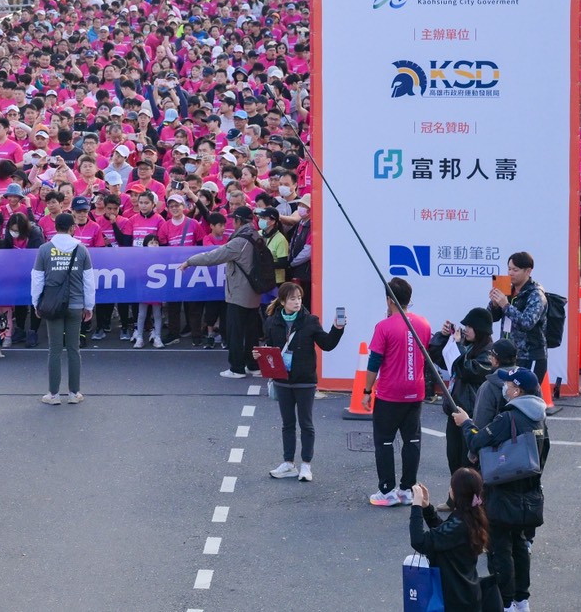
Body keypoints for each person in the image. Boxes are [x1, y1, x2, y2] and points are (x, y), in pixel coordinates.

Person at [452, 367, 550, 612]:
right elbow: (545, 452)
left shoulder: (509, 417)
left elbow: (477, 440)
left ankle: (505, 603)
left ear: (517, 390)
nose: (504, 388)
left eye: (507, 385)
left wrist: (466, 424)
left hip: (503, 496)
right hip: (530, 495)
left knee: (500, 550)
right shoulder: (539, 416)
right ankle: (522, 601)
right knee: (520, 545)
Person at [256, 281, 344, 482]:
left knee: (306, 423)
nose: (297, 302)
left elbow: (327, 344)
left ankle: (306, 465)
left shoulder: (310, 321)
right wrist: (258, 355)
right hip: (282, 380)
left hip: (305, 380)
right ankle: (288, 463)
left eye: (299, 298)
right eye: (293, 298)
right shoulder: (271, 321)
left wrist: (337, 328)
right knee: (287, 423)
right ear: (283, 301)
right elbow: (269, 348)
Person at [364, 277, 433, 507]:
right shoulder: (423, 323)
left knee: (384, 441)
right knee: (412, 440)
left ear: (388, 300)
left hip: (389, 394)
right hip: (416, 391)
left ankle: (386, 491)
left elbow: (374, 362)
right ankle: (407, 489)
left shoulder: (384, 327)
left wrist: (366, 390)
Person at [178, 206, 265, 380]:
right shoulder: (257, 237)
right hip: (254, 292)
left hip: (239, 293)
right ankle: (253, 366)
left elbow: (214, 256)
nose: (232, 222)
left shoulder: (239, 242)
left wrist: (190, 261)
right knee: (251, 333)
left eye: (234, 219)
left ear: (239, 221)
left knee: (235, 332)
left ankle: (237, 368)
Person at [31, 212, 94, 405]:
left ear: (55, 227)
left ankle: (53, 394)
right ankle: (74, 393)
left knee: (55, 349)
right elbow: (88, 281)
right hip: (76, 305)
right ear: (72, 228)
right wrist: (89, 305)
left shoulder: (44, 249)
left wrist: (36, 303)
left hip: (53, 305)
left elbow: (37, 279)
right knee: (74, 349)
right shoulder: (82, 250)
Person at [407, 468, 489, 612]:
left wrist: (417, 506)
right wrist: (427, 507)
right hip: (467, 593)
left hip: (454, 600)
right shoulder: (471, 516)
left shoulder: (459, 524)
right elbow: (444, 533)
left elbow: (419, 541)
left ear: (456, 493)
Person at [429, 307, 496, 477]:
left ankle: (469, 502)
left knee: (468, 464)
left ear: (479, 329)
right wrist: (444, 336)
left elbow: (466, 370)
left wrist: (458, 345)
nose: (465, 330)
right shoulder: (467, 346)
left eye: (469, 327)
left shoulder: (488, 354)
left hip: (471, 415)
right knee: (453, 459)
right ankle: (454, 499)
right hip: (454, 410)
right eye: (464, 326)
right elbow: (436, 356)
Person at [487, 252, 549, 389]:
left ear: (528, 271)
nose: (511, 273)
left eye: (515, 270)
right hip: (508, 355)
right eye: (509, 269)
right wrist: (494, 304)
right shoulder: (507, 289)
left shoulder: (536, 294)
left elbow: (527, 323)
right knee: (505, 395)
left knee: (526, 394)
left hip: (529, 356)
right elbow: (491, 318)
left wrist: (506, 305)